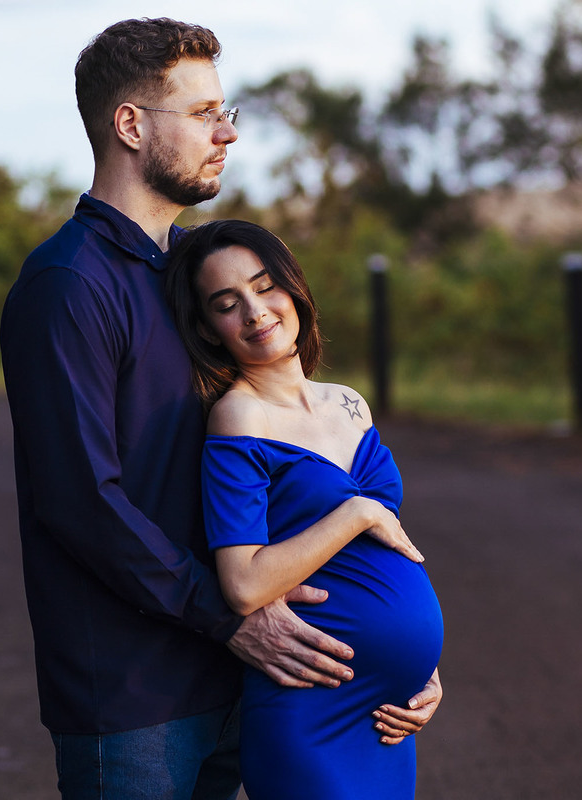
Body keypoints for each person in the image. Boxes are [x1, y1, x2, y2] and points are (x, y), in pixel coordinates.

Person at [1, 17, 441, 799]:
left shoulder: (190, 281)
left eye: (225, 110)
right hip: (136, 697)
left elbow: (282, 480)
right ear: (131, 125)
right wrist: (229, 615)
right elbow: (81, 502)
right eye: (205, 113)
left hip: (244, 677)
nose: (228, 132)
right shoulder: (68, 286)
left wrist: (394, 656)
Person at [165, 219, 445, 800]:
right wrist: (357, 514)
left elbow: (392, 541)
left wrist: (423, 666)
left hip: (388, 714)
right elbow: (243, 584)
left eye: (264, 286)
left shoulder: (348, 403)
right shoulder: (241, 418)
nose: (254, 311)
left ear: (293, 289)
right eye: (226, 303)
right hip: (313, 709)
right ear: (209, 330)